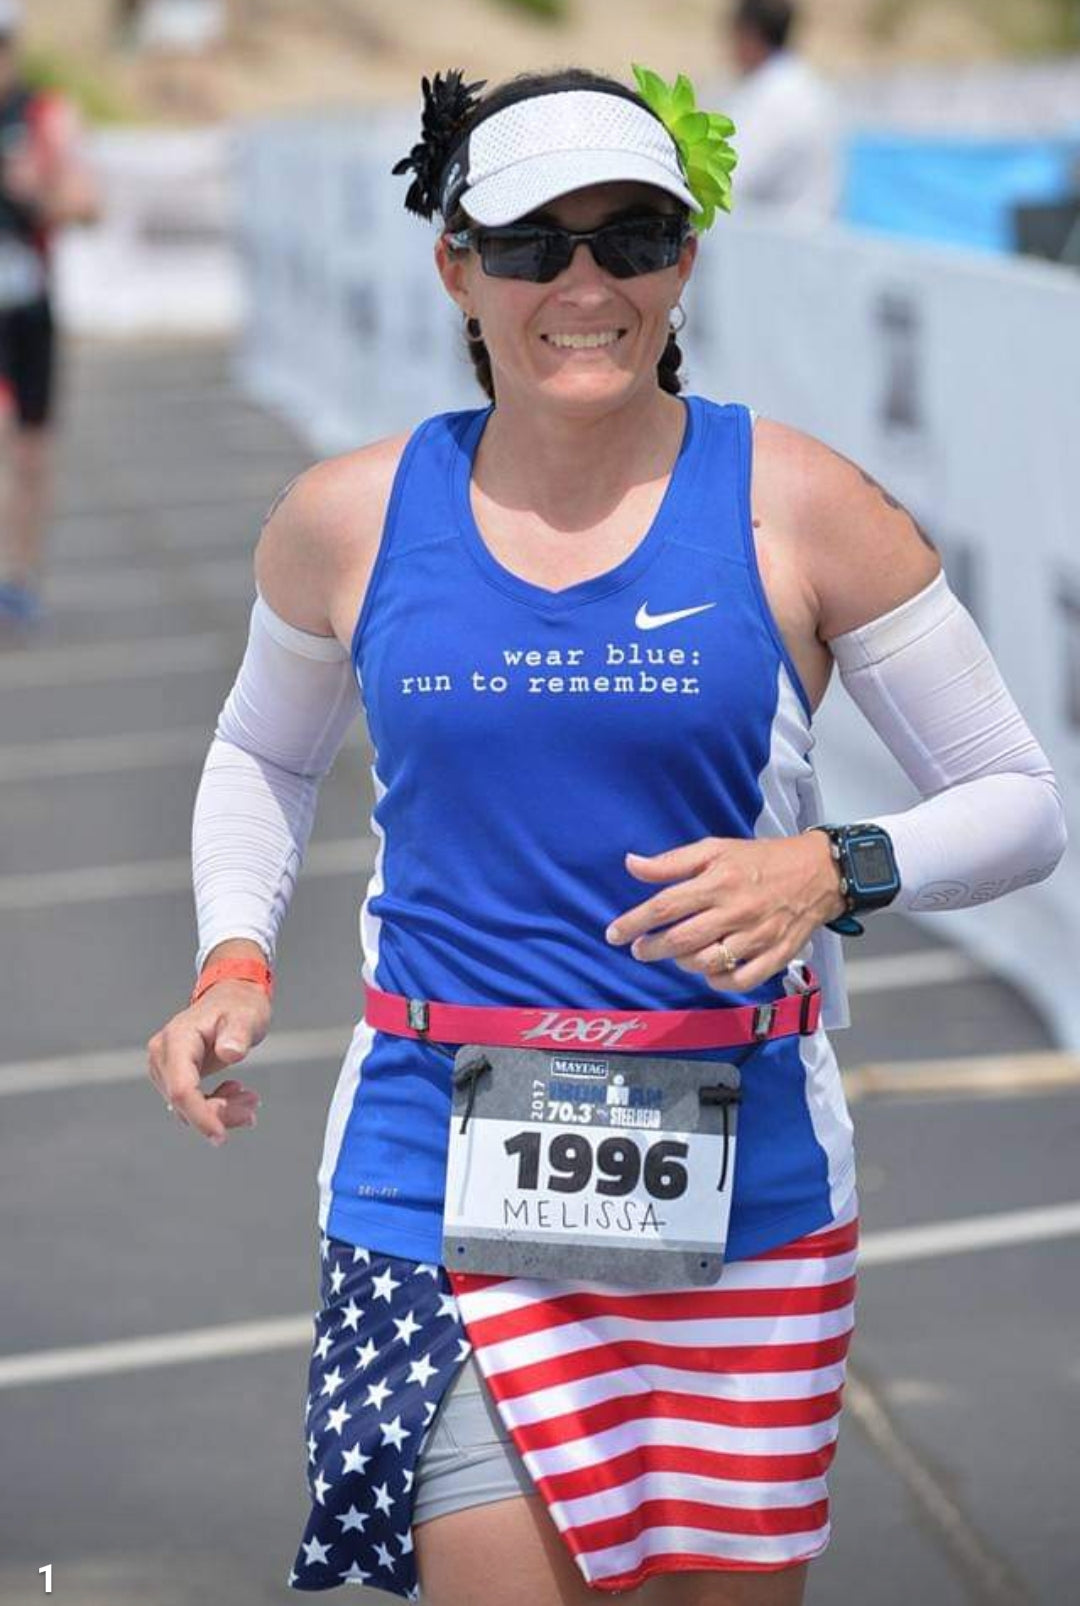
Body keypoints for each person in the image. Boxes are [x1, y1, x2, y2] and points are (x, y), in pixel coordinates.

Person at [146, 63, 1066, 1606]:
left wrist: (835, 864)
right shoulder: (351, 515)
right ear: (457, 266)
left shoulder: (801, 504)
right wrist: (232, 948)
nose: (584, 283)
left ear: (685, 259)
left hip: (746, 1203)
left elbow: (1021, 799)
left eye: (631, 237)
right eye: (530, 244)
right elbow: (258, 751)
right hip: (433, 1188)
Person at [0, 0, 101, 631]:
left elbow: (89, 204)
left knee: (32, 453)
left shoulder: (44, 114)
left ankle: (18, 578)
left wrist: (37, 188)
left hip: (26, 308)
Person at [721, 0, 839, 220]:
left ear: (749, 34)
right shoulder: (807, 85)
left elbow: (729, 179)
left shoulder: (773, 98)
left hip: (779, 240)